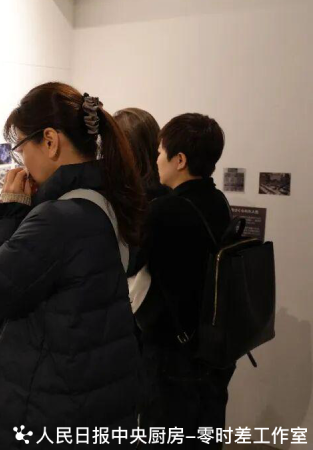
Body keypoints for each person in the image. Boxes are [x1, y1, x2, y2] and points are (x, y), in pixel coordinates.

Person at [0, 82, 147, 449]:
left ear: (49, 141)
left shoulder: (59, 218)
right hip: (90, 396)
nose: (22, 163)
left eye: (21, 149)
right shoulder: (106, 197)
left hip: (46, 412)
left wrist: (7, 212)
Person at [133, 113, 234, 449]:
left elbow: (130, 262)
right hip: (214, 345)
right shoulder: (218, 201)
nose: (155, 160)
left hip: (173, 350)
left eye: (160, 152)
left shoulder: (164, 210)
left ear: (180, 160)